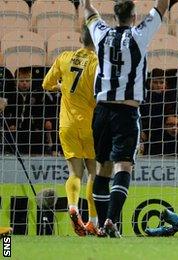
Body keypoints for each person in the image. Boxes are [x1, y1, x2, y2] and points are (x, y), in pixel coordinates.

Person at [83, 0, 169, 237]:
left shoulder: (101, 33)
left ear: (114, 17)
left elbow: (89, 12)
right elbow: (162, 6)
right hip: (126, 112)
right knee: (124, 165)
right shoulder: (139, 34)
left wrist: (87, 2)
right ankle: (111, 220)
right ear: (133, 17)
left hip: (101, 111)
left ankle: (102, 224)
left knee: (102, 168)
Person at [41, 25, 99, 236]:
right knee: (94, 173)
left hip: (66, 125)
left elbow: (46, 84)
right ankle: (93, 221)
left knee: (75, 173)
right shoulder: (97, 63)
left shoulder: (64, 57)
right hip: (90, 125)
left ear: (80, 39)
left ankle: (73, 206)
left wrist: (61, 87)